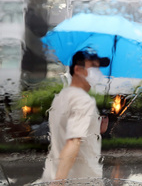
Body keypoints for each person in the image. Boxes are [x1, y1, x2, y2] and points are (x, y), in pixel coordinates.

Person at [40, 49, 110, 183]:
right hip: (79, 179)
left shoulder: (62, 96)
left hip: (54, 172)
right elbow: (73, 141)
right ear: (77, 69)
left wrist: (96, 128)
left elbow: (65, 132)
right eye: (93, 67)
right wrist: (59, 182)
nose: (98, 73)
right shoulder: (83, 100)